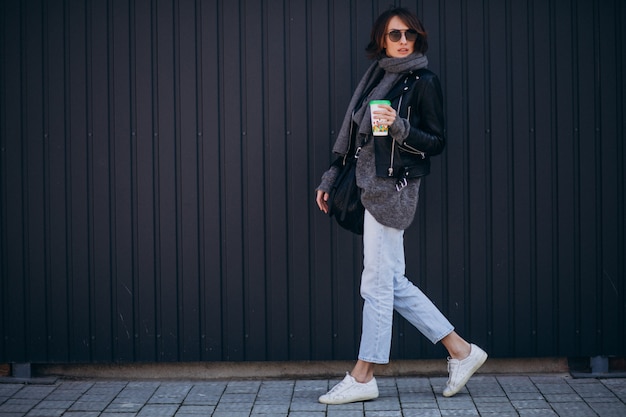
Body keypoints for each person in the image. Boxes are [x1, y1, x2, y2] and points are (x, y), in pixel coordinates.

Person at [315, 8, 487, 405]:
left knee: (375, 283)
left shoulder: (423, 81)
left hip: (393, 190)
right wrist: (329, 177)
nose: (403, 40)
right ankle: (461, 350)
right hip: (364, 185)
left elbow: (437, 141)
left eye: (409, 33)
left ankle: (363, 376)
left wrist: (399, 126)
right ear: (382, 39)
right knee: (391, 282)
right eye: (395, 34)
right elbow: (356, 137)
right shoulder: (377, 76)